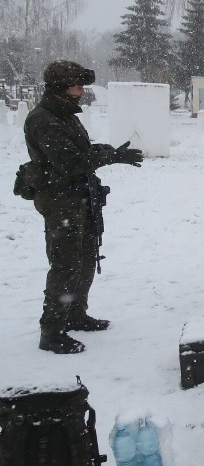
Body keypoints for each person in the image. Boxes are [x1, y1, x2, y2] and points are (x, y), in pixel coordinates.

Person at [22, 60, 144, 354]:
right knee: (65, 264)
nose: (81, 90)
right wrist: (111, 156)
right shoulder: (44, 119)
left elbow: (81, 153)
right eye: (76, 85)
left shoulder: (65, 115)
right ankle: (52, 331)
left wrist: (107, 153)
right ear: (60, 88)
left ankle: (76, 313)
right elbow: (69, 162)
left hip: (79, 197)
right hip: (60, 202)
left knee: (87, 258)